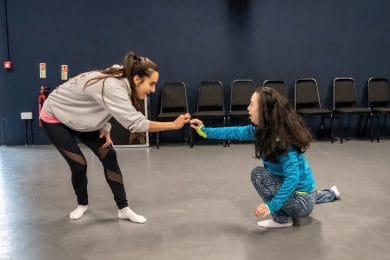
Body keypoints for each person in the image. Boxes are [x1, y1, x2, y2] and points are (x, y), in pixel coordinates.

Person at [40, 51, 190, 223]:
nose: (153, 89)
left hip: (80, 117)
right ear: (137, 79)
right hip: (55, 117)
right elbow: (135, 123)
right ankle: (82, 204)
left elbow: (97, 100)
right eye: (152, 83)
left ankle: (123, 209)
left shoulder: (122, 75)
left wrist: (105, 127)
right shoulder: (114, 86)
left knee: (109, 155)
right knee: (79, 165)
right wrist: (173, 125)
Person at [190, 87, 340, 228]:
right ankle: (330, 193)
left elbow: (292, 179)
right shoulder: (262, 130)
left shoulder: (282, 140)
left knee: (259, 174)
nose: (248, 108)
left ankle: (282, 220)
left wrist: (271, 207)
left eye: (251, 105)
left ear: (264, 110)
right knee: (286, 185)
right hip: (306, 192)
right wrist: (205, 131)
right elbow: (234, 132)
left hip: (302, 201)